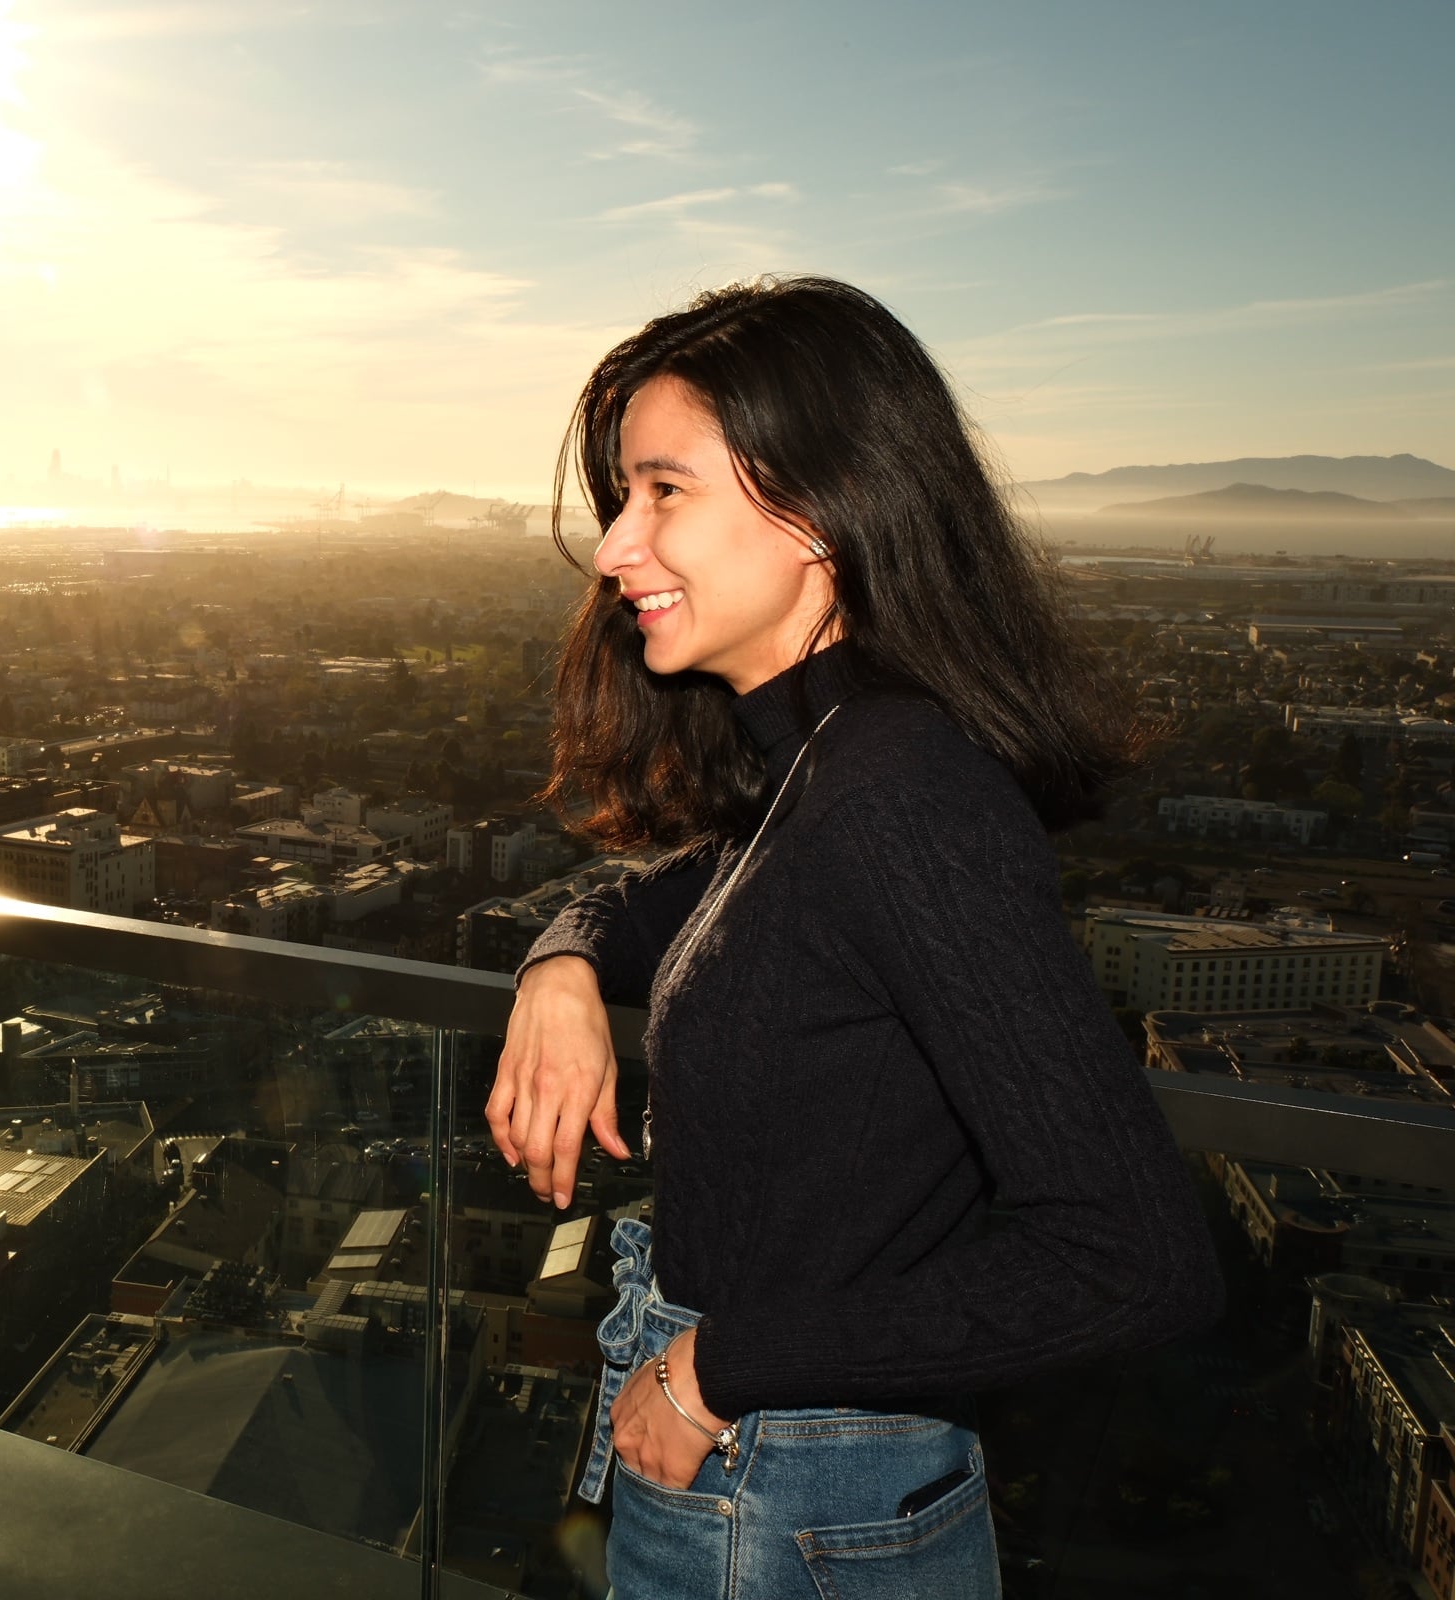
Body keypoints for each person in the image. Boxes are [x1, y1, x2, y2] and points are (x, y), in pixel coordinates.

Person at [484, 276, 1223, 1599]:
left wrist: (719, 1370)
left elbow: (1132, 1256)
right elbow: (671, 894)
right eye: (623, 498)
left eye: (664, 491)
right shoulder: (824, 771)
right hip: (785, 1480)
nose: (614, 547)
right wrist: (564, 962)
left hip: (781, 1491)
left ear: (818, 505)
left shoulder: (896, 794)